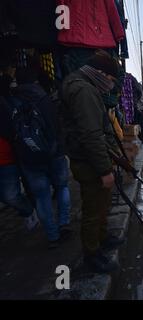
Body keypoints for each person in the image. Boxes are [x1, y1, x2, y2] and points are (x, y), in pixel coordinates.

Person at [61, 50, 124, 273]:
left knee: (103, 203)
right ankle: (92, 254)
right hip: (89, 162)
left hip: (92, 159)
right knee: (93, 208)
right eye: (110, 79)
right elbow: (91, 134)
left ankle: (102, 238)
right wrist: (105, 169)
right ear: (99, 73)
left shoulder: (85, 86)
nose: (110, 85)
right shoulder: (82, 90)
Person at [11, 66, 71, 248]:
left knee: (42, 196)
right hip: (55, 154)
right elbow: (57, 125)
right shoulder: (45, 98)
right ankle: (64, 224)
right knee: (61, 187)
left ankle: (52, 236)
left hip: (29, 158)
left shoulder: (11, 101)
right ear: (35, 80)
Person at [0, 76, 39, 231]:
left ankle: (29, 210)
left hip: (6, 157)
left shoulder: (6, 104)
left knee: (10, 196)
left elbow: (14, 129)